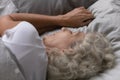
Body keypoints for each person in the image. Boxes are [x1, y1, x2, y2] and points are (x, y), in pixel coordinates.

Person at [0, 7, 115, 80]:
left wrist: (60, 19)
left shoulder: (27, 37)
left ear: (68, 51)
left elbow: (5, 19)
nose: (64, 29)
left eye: (71, 33)